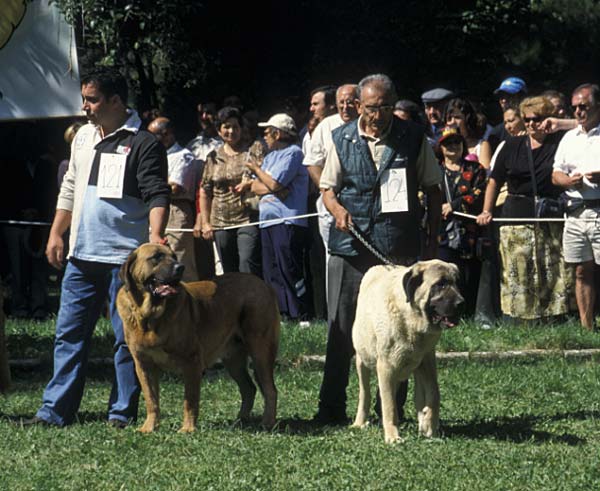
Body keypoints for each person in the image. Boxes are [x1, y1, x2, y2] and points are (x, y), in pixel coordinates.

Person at [24, 67, 170, 427]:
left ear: (117, 101)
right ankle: (55, 411)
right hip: (81, 258)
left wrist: (155, 237)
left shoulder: (143, 142)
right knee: (68, 336)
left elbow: (157, 193)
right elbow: (70, 188)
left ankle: (121, 414)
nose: (85, 107)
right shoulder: (83, 137)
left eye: (92, 99)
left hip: (124, 262)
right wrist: (57, 234)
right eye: (84, 99)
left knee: (127, 342)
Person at [315, 73, 443, 424]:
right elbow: (328, 189)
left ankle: (392, 410)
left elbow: (433, 189)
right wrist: (338, 211)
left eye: (386, 106)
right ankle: (330, 409)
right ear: (358, 106)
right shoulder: (340, 138)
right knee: (341, 329)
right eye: (371, 108)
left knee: (403, 330)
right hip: (351, 246)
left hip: (397, 247)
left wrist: (431, 241)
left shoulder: (414, 138)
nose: (378, 114)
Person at [477, 96, 573, 322]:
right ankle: (519, 321)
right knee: (519, 271)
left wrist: (559, 124)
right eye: (527, 119)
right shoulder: (511, 145)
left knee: (552, 270)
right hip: (515, 217)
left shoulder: (561, 142)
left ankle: (554, 320)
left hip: (549, 216)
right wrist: (486, 210)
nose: (531, 124)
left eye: (537, 119)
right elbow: (494, 181)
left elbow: (586, 124)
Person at [303, 84, 359, 317]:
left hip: (361, 200)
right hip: (330, 201)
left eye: (350, 101)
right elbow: (312, 162)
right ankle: (335, 314)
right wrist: (327, 189)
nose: (345, 106)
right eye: (341, 102)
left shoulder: (369, 124)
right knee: (332, 258)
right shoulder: (326, 125)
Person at [246, 113, 309, 321]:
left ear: (278, 133)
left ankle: (299, 314)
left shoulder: (293, 153)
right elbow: (257, 186)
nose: (264, 135)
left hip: (287, 220)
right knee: (271, 269)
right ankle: (282, 313)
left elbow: (273, 184)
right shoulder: (271, 156)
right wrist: (272, 186)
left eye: (267, 131)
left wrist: (258, 170)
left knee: (289, 268)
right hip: (267, 220)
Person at [552, 83, 600, 331]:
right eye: (575, 108)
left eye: (584, 106)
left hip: (599, 209)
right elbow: (555, 174)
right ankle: (587, 327)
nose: (579, 112)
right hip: (574, 211)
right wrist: (568, 181)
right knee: (581, 271)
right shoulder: (568, 138)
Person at [196, 106, 264, 276]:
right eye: (227, 127)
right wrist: (205, 222)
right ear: (219, 130)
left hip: (247, 218)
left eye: (235, 126)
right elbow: (205, 191)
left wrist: (249, 183)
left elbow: (265, 176)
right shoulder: (213, 157)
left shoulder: (254, 150)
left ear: (241, 129)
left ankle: (253, 301)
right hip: (220, 222)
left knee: (247, 263)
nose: (231, 131)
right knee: (229, 271)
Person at [435, 127, 487, 313]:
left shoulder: (475, 169)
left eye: (457, 142)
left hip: (469, 232)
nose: (453, 146)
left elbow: (479, 193)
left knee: (469, 274)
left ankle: (470, 314)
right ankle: (448, 314)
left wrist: (454, 205)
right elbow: (422, 194)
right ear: (440, 147)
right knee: (445, 274)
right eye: (448, 143)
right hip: (441, 232)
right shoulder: (433, 169)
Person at [148, 116, 198, 281]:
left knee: (179, 259)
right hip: (153, 209)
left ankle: (188, 302)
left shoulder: (183, 156)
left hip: (175, 212)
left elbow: (175, 187)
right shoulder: (153, 157)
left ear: (167, 134)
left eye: (153, 135)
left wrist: (153, 187)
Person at [444, 97, 492, 169]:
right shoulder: (442, 147)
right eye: (449, 118)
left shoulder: (481, 146)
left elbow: (485, 175)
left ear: (467, 120)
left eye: (457, 117)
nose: (452, 122)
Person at [488, 77, 528, 151]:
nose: (503, 100)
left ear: (522, 97)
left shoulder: (539, 127)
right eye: (501, 97)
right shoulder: (496, 133)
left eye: (508, 96)